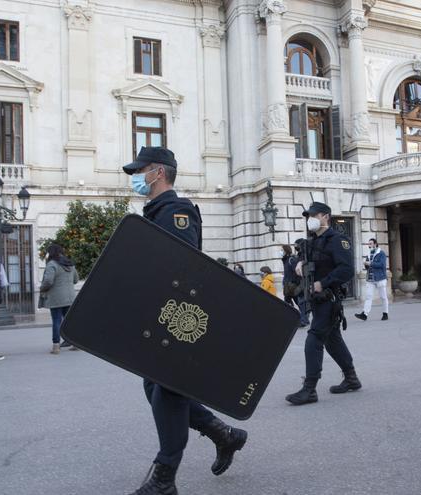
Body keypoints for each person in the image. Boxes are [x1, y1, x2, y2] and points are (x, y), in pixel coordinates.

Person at [122, 146, 247, 495]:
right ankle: (225, 435)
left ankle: (165, 476)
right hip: (161, 313)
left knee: (167, 390)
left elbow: (181, 266)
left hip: (176, 317)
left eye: (140, 170)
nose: (136, 177)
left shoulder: (176, 210)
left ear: (158, 173)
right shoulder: (154, 211)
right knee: (156, 385)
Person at [286, 202, 361, 405]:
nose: (310, 219)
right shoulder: (311, 241)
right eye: (308, 216)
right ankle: (351, 378)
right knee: (332, 339)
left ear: (325, 216)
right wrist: (299, 262)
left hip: (329, 297)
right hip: (316, 300)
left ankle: (309, 389)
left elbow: (347, 270)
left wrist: (323, 283)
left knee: (314, 338)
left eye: (314, 215)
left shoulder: (337, 240)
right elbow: (300, 258)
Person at [40, 243, 79, 355]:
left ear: (50, 253)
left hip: (56, 298)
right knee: (70, 321)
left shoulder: (52, 264)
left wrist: (42, 288)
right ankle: (75, 343)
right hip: (70, 297)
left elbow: (48, 281)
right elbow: (76, 280)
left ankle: (56, 346)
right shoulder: (70, 264)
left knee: (57, 321)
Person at [354, 238, 389, 322]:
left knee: (383, 297)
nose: (369, 245)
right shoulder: (369, 254)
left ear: (375, 244)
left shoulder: (381, 253)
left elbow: (382, 265)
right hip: (370, 279)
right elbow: (367, 266)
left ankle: (385, 313)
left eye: (370, 244)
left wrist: (371, 263)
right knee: (368, 296)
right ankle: (364, 314)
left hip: (380, 278)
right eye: (368, 244)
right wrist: (366, 264)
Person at [292, 240, 310, 328]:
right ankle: (304, 319)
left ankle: (304, 320)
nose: (295, 247)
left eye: (296, 245)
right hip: (300, 281)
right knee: (301, 302)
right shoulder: (299, 256)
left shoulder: (305, 256)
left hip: (305, 281)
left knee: (303, 301)